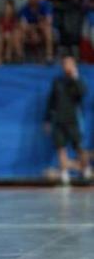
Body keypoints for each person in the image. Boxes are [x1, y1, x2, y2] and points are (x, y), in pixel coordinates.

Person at [45, 56, 91, 185]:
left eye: (68, 64)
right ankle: (65, 174)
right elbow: (51, 101)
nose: (66, 66)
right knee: (61, 147)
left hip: (73, 119)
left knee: (79, 147)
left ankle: (86, 169)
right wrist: (47, 119)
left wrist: (75, 77)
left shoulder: (77, 80)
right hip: (59, 120)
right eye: (64, 64)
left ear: (74, 65)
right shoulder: (57, 81)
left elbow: (82, 93)